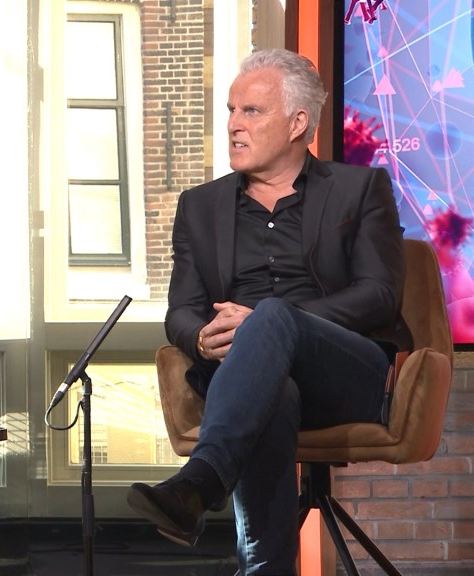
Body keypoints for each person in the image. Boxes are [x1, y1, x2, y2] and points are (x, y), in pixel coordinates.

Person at [125, 49, 412, 574]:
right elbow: (182, 311)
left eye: (251, 111)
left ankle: (201, 480)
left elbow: (378, 295)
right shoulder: (199, 207)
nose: (233, 124)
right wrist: (202, 338)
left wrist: (270, 320)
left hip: (344, 373)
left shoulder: (360, 189)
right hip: (248, 381)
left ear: (298, 124)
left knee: (273, 315)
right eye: (231, 110)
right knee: (275, 394)